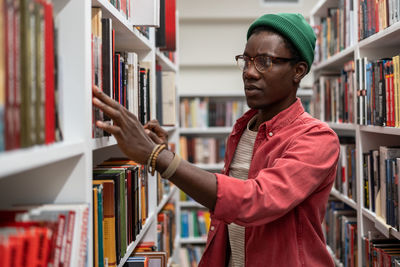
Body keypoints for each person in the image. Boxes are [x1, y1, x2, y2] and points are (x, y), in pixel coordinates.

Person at [93, 13, 340, 267]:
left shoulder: (317, 138)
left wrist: (160, 158)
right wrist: (160, 151)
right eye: (246, 60)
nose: (249, 73)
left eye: (264, 62)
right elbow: (226, 199)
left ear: (298, 71)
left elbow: (255, 200)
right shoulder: (243, 127)